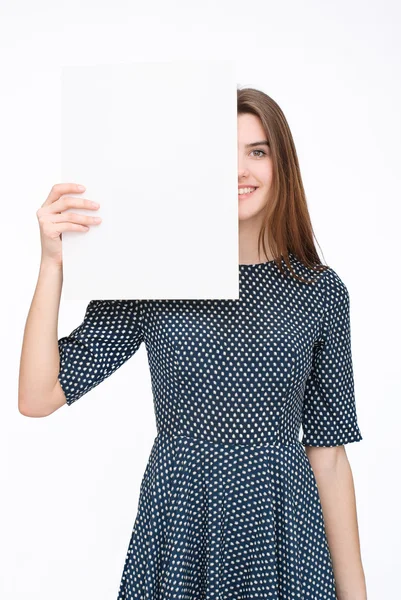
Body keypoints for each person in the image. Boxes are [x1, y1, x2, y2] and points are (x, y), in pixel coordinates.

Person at [18, 87, 367, 599]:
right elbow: (37, 395)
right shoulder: (158, 273)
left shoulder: (320, 291)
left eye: (258, 151)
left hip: (286, 536)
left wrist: (355, 593)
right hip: (181, 523)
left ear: (282, 163)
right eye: (223, 154)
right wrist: (52, 264)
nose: (241, 171)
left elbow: (329, 456)